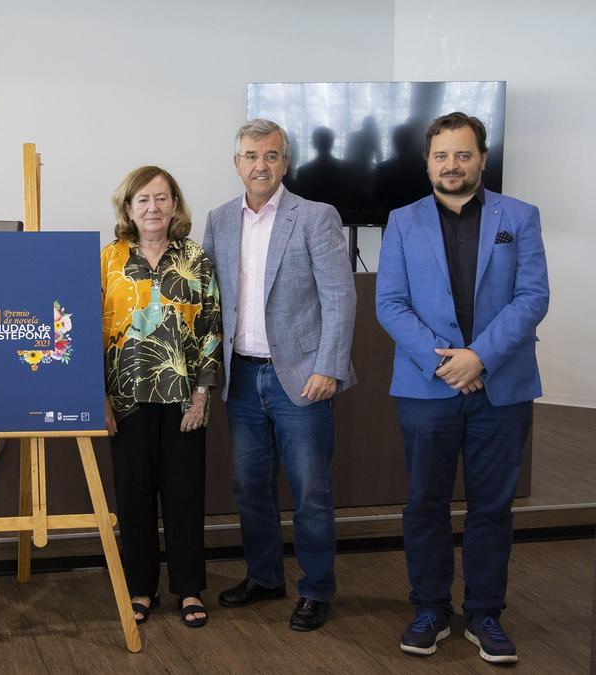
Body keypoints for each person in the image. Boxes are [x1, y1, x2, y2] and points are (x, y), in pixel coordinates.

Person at [376, 112, 549, 664]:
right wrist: (446, 362)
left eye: (463, 154)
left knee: (492, 508)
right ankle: (430, 608)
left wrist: (480, 358)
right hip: (428, 390)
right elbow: (390, 304)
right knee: (425, 504)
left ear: (482, 158)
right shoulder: (402, 221)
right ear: (427, 162)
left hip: (502, 388)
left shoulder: (518, 217)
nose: (452, 165)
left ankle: (484, 614)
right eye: (441, 155)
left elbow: (532, 298)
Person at [202, 119, 356, 632]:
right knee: (250, 487)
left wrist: (329, 367)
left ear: (284, 163)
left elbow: (339, 297)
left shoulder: (315, 216)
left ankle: (315, 589)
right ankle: (265, 577)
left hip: (302, 379)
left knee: (310, 490)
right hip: (241, 377)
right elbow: (207, 300)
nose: (260, 165)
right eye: (250, 155)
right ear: (237, 163)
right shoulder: (219, 219)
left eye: (270, 156)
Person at [100, 166, 221, 628]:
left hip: (183, 401)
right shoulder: (107, 259)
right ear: (128, 208)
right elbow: (90, 329)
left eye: (162, 198)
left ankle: (189, 589)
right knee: (133, 500)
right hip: (125, 400)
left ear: (175, 205)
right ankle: (139, 589)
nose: (153, 207)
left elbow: (211, 327)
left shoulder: (197, 258)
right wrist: (99, 397)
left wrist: (201, 396)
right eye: (143, 200)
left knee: (184, 496)